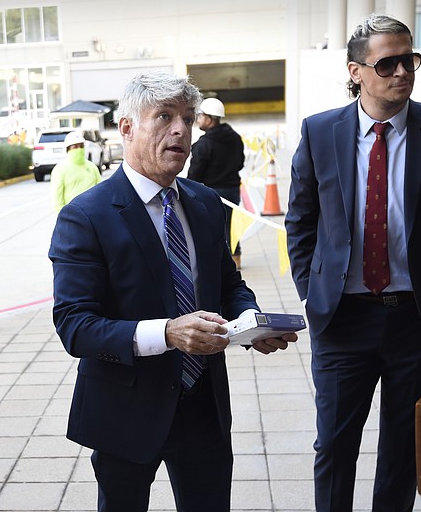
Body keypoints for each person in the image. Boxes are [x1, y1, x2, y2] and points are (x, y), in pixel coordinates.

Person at [49, 71, 298, 512]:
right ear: (126, 128)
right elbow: (75, 326)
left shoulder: (203, 203)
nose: (180, 129)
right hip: (124, 408)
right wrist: (167, 333)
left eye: (187, 117)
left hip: (203, 404)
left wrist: (251, 323)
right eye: (163, 117)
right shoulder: (86, 216)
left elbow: (228, 284)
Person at [285, 14, 421, 512]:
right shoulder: (318, 133)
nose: (402, 72)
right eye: (387, 63)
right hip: (341, 320)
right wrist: (312, 293)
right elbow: (300, 220)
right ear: (356, 71)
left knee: (401, 452)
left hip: (416, 320)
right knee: (333, 445)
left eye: (409, 60)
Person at [187, 97, 245, 268]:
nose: (198, 119)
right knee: (230, 225)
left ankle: (221, 262)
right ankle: (236, 257)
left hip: (212, 191)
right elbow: (240, 162)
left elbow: (194, 174)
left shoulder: (204, 144)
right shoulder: (234, 137)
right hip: (233, 189)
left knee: (213, 226)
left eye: (200, 116)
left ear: (209, 119)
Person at [50, 130, 102, 212]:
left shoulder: (92, 167)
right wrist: (63, 217)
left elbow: (101, 192)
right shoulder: (60, 169)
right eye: (75, 146)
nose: (79, 149)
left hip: (93, 214)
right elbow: (57, 198)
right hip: (72, 216)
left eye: (81, 146)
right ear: (68, 149)